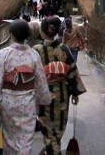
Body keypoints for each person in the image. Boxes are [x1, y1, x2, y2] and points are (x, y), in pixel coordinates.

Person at [0, 19, 52, 155]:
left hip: (8, 102)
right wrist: (42, 100)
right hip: (28, 101)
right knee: (26, 139)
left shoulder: (3, 54)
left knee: (9, 139)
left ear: (11, 34)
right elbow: (40, 81)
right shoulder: (33, 55)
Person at [34, 17, 86, 155]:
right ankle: (53, 148)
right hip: (62, 95)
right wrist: (75, 92)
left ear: (42, 31)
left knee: (47, 130)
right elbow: (72, 71)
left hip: (43, 96)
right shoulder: (64, 49)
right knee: (58, 128)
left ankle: (52, 150)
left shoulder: (37, 50)